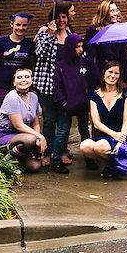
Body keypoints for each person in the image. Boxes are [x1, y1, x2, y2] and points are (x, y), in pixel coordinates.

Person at [33, 3, 75, 169]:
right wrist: (50, 34)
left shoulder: (70, 34)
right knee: (50, 120)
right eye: (57, 17)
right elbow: (39, 53)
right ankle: (48, 152)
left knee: (64, 120)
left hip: (65, 86)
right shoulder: (45, 32)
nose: (60, 20)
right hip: (46, 84)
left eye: (63, 17)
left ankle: (61, 151)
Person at [80, 61, 127, 178]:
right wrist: (113, 134)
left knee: (100, 147)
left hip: (123, 134)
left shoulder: (126, 94)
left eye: (116, 73)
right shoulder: (95, 96)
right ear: (104, 73)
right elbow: (96, 123)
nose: (113, 76)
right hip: (106, 135)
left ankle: (112, 165)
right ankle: (111, 165)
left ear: (120, 76)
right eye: (110, 72)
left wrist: (121, 140)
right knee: (84, 146)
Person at [0, 11, 35, 125]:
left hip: (20, 88)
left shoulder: (30, 44)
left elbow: (30, 66)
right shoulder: (0, 42)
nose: (21, 28)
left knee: (20, 122)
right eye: (18, 25)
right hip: (0, 86)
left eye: (24, 25)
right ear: (11, 24)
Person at [53, 35, 95, 171]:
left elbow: (93, 81)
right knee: (62, 132)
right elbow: (57, 86)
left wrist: (89, 98)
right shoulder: (61, 65)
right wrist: (63, 102)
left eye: (82, 46)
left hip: (82, 104)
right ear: (70, 47)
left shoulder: (86, 63)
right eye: (77, 47)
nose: (80, 49)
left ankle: (89, 159)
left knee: (84, 132)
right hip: (66, 106)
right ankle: (56, 161)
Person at [0, 68, 46, 172]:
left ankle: (16, 157)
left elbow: (36, 123)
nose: (23, 80)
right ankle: (4, 161)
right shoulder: (12, 97)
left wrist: (37, 143)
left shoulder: (34, 97)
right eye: (19, 77)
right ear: (14, 82)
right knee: (29, 140)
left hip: (21, 136)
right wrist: (40, 137)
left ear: (31, 80)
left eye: (27, 77)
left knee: (35, 166)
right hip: (3, 136)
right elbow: (19, 125)